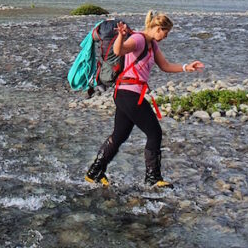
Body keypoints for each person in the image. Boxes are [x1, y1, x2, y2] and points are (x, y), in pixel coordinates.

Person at [84, 11, 204, 188]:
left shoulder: (152, 45)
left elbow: (165, 66)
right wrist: (121, 36)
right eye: (165, 32)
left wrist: (187, 67)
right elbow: (119, 50)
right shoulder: (139, 39)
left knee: (119, 136)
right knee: (155, 133)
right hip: (129, 95)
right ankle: (152, 178)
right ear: (157, 28)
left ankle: (94, 172)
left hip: (126, 94)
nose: (165, 36)